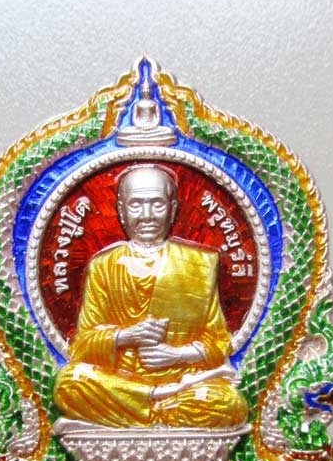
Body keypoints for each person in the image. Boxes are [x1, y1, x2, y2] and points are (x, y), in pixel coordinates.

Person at [53, 165, 248, 429]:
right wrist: (125, 336)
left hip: (183, 381)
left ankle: (132, 415)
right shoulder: (104, 265)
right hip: (120, 382)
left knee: (230, 403)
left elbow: (218, 342)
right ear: (121, 210)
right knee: (70, 382)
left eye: (157, 204)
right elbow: (81, 347)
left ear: (173, 209)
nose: (147, 216)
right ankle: (158, 404)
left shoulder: (199, 263)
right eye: (136, 205)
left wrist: (177, 354)